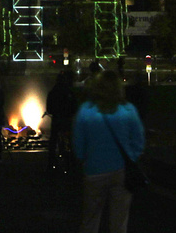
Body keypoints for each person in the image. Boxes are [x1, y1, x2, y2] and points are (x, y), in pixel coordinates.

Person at [73, 70, 145, 233]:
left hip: (94, 169)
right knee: (119, 221)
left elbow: (78, 143)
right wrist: (131, 157)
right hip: (121, 170)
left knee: (91, 219)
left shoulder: (86, 110)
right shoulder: (128, 110)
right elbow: (139, 141)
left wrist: (83, 158)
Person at [45, 68, 78, 171]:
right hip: (66, 118)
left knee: (53, 140)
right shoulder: (69, 91)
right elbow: (74, 105)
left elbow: (49, 108)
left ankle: (51, 161)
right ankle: (71, 160)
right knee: (70, 139)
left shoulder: (52, 92)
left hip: (56, 118)